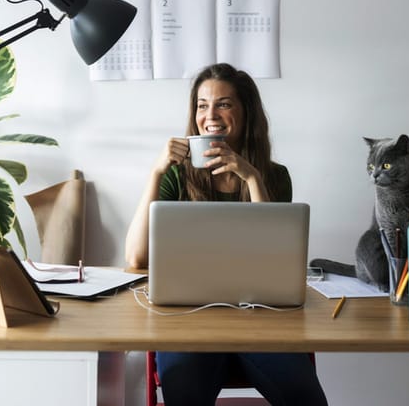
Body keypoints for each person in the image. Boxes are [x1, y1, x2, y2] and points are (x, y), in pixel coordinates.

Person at [125, 63, 328, 406]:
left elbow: (274, 259)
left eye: (224, 103)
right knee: (184, 391)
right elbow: (136, 258)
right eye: (202, 105)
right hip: (189, 323)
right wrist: (156, 172)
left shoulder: (274, 177)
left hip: (259, 323)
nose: (211, 114)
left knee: (305, 397)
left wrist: (252, 179)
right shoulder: (177, 175)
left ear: (246, 111)